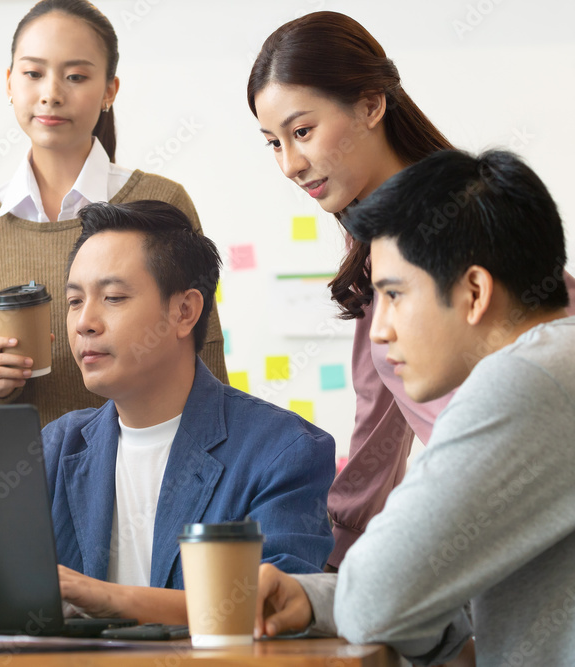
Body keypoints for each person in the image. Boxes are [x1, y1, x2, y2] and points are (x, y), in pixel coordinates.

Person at [246, 10, 575, 567]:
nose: (290, 164)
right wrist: (328, 571)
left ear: (372, 104)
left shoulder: (474, 217)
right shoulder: (374, 257)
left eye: (301, 131)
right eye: (273, 142)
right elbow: (376, 428)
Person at [254, 149, 575, 666]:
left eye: (395, 295)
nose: (380, 330)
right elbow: (405, 589)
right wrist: (318, 600)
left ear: (474, 291)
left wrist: (360, 601)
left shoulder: (526, 380)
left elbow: (377, 603)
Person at [0, 0, 228, 427]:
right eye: (32, 73)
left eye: (76, 76)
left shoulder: (161, 202)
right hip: (17, 483)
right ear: (10, 83)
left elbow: (204, 350)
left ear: (109, 91)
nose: (51, 93)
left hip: (145, 472)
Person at [43, 200, 334, 625]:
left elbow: (274, 611)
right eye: (74, 301)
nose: (85, 322)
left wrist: (110, 598)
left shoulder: (283, 451)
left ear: (184, 312)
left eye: (113, 297)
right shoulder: (56, 445)